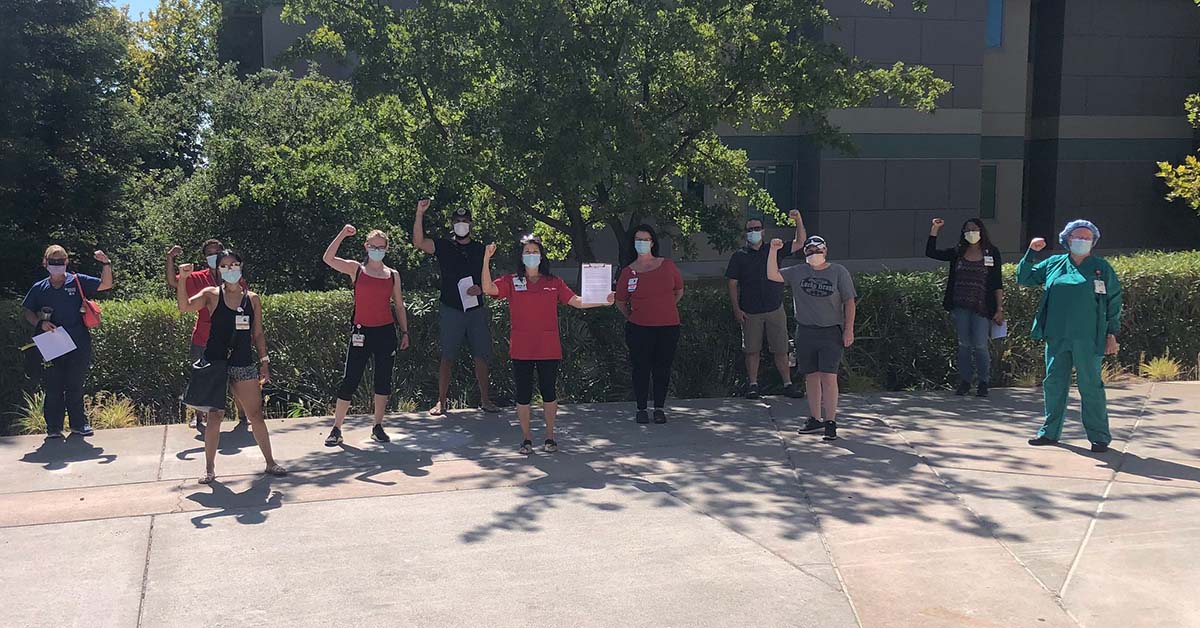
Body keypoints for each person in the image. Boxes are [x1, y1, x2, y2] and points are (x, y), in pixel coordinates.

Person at [481, 235, 614, 454]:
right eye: (527, 252)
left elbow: (577, 301)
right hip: (522, 348)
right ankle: (526, 439)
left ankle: (550, 437)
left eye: (535, 252)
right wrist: (485, 260)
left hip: (548, 348)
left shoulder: (554, 282)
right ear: (521, 256)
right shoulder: (512, 280)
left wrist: (603, 300)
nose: (531, 256)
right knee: (523, 396)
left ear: (542, 256)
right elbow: (487, 289)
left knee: (549, 394)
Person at [176, 251, 286, 483]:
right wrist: (183, 279)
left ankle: (270, 462)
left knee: (255, 414)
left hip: (243, 361)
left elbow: (258, 333)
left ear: (241, 266)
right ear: (219, 270)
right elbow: (184, 307)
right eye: (225, 266)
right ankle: (209, 469)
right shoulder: (211, 295)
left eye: (234, 265)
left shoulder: (252, 298)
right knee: (215, 416)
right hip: (216, 361)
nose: (231, 269)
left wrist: (264, 361)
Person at [1017, 220, 1122, 453]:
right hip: (1057, 335)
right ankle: (1049, 432)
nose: (1082, 241)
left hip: (1088, 336)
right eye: (1077, 237)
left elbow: (1114, 300)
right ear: (1067, 240)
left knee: (1090, 385)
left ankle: (1099, 436)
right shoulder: (1054, 264)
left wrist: (1111, 333)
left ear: (1094, 241)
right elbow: (1025, 278)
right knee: (1054, 383)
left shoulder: (1101, 268)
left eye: (1087, 238)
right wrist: (1031, 253)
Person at [321, 225, 411, 446]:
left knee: (383, 381)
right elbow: (328, 258)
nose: (377, 250)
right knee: (350, 379)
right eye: (373, 246)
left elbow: (399, 305)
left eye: (381, 247)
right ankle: (336, 428)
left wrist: (405, 331)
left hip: (385, 332)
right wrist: (342, 233)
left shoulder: (393, 275)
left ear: (387, 248)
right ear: (366, 247)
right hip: (361, 331)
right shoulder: (357, 269)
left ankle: (378, 426)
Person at [412, 199, 497, 415]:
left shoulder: (480, 249)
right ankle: (441, 402)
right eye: (458, 221)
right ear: (452, 224)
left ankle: (485, 400)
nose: (461, 224)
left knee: (481, 356)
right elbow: (419, 242)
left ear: (470, 224)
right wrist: (420, 214)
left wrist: (480, 288)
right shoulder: (443, 245)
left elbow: (487, 279)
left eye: (465, 221)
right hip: (451, 308)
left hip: (475, 309)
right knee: (447, 356)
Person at [767, 236, 856, 441]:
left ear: (825, 250)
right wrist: (773, 251)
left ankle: (830, 421)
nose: (813, 254)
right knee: (811, 376)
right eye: (809, 251)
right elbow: (772, 275)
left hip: (830, 331)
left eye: (817, 250)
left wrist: (848, 329)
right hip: (806, 331)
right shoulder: (798, 272)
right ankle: (815, 418)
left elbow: (849, 301)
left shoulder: (838, 272)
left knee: (829, 376)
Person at [22, 245, 113, 439]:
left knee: (75, 386)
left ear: (66, 262)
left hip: (78, 343)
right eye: (53, 262)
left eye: (60, 261)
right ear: (45, 263)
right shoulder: (39, 288)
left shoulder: (77, 280)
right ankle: (53, 427)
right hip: (51, 344)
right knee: (53, 387)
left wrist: (106, 263)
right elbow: (28, 311)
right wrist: (40, 322)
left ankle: (79, 424)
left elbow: (106, 285)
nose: (57, 265)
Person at [167, 239, 249, 432]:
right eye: (209, 253)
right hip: (203, 338)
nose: (213, 255)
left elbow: (244, 307)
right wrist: (170, 258)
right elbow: (173, 282)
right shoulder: (198, 278)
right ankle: (199, 418)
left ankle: (243, 415)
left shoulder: (234, 277)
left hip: (230, 339)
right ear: (205, 258)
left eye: (216, 251)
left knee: (235, 379)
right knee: (202, 379)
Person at [725, 210, 808, 399]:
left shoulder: (774, 249)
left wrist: (798, 220)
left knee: (781, 349)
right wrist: (736, 309)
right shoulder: (739, 256)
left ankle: (787, 384)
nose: (753, 232)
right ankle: (753, 385)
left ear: (763, 231)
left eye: (757, 228)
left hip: (774, 307)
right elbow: (732, 283)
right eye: (750, 229)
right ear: (745, 233)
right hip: (750, 310)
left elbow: (800, 242)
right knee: (752, 350)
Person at [926, 218, 1005, 397]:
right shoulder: (958, 252)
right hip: (960, 304)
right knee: (964, 344)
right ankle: (965, 381)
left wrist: (999, 308)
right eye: (967, 229)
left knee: (979, 344)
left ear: (981, 231)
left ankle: (984, 382)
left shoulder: (991, 252)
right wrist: (935, 229)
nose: (971, 232)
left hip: (982, 305)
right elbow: (931, 252)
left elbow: (997, 282)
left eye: (974, 229)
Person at [616, 225, 684, 424]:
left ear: (653, 243)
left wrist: (664, 307)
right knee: (641, 368)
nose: (642, 243)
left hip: (668, 327)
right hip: (639, 328)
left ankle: (659, 408)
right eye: (638, 240)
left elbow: (679, 291)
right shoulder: (628, 272)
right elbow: (620, 301)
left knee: (663, 368)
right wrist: (634, 315)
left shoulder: (667, 265)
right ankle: (641, 408)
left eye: (645, 240)